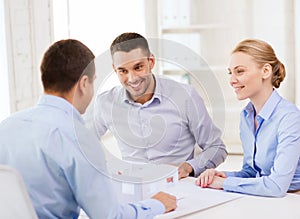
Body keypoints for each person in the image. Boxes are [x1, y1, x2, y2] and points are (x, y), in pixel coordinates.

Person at [0, 39, 177, 218]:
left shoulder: (6, 127)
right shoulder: (77, 137)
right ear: (84, 84)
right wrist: (156, 204)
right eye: (93, 82)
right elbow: (110, 217)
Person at [94, 32, 227, 179]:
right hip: (133, 189)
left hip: (179, 186)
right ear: (114, 69)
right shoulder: (105, 103)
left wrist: (189, 167)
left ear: (151, 62)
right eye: (123, 71)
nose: (132, 79)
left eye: (138, 67)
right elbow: (82, 146)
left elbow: (216, 148)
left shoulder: (185, 96)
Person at [196, 39, 300, 197]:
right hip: (264, 199)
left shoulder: (289, 117)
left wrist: (224, 183)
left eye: (240, 71)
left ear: (265, 71)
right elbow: (251, 172)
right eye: (230, 73)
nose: (232, 80)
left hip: (291, 201)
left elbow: (277, 186)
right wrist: (220, 176)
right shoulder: (247, 116)